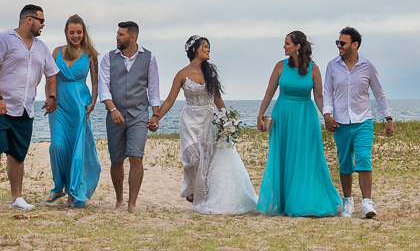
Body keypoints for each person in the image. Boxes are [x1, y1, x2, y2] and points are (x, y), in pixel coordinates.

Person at [152, 36, 257, 214]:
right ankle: (191, 189)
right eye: (205, 46)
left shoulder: (211, 70)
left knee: (208, 160)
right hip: (190, 120)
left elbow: (217, 98)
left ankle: (205, 195)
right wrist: (156, 118)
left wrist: (227, 118)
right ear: (194, 50)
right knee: (192, 160)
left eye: (209, 47)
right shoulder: (182, 74)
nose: (208, 50)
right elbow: (170, 100)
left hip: (209, 119)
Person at [0, 4, 58, 212]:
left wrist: (52, 97)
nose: (43, 24)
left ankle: (16, 198)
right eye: (41, 20)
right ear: (29, 20)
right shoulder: (3, 39)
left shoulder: (42, 47)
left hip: (24, 108)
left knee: (17, 154)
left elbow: (51, 74)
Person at [254, 30, 342, 217]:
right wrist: (260, 115)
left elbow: (319, 96)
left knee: (305, 156)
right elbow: (269, 93)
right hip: (283, 115)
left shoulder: (314, 68)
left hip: (305, 116)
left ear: (297, 46)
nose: (284, 46)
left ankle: (303, 201)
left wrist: (326, 115)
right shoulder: (280, 66)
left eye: (287, 43)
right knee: (283, 156)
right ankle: (284, 201)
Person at [322, 26, 394, 219]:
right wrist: (327, 115)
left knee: (363, 158)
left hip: (363, 121)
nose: (338, 46)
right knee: (345, 162)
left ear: (355, 45)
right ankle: (347, 201)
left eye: (342, 43)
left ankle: (367, 203)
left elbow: (379, 93)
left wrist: (388, 118)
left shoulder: (368, 66)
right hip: (340, 123)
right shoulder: (332, 65)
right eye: (337, 42)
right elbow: (327, 92)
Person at [98, 21, 160, 212]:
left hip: (139, 114)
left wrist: (155, 115)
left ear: (133, 37)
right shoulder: (108, 58)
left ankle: (132, 203)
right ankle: (119, 199)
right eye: (117, 34)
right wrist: (112, 110)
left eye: (121, 35)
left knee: (136, 157)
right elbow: (104, 88)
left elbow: (154, 90)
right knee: (116, 160)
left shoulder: (149, 58)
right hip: (115, 114)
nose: (117, 37)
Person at [46, 14, 102, 207]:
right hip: (59, 106)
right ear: (66, 33)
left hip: (79, 105)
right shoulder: (56, 52)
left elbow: (95, 82)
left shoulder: (90, 53)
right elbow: (49, 78)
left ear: (83, 32)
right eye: (72, 32)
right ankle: (58, 186)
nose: (76, 35)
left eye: (79, 32)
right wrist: (49, 98)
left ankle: (73, 190)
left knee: (77, 149)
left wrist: (93, 102)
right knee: (57, 146)